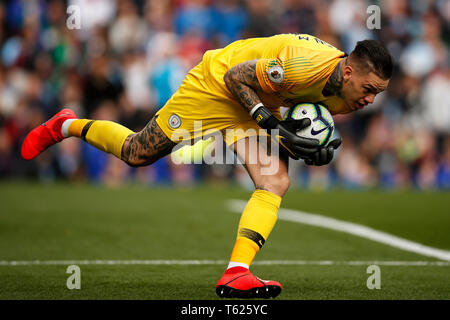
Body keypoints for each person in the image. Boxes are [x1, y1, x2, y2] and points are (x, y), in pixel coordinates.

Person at [21, 34, 393, 299]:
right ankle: (65, 124)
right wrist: (274, 128)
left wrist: (303, 145)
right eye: (370, 88)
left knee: (275, 181)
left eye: (378, 92)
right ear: (348, 72)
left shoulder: (347, 95)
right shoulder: (301, 67)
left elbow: (294, 120)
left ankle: (236, 274)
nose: (371, 99)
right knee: (137, 153)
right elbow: (237, 79)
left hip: (262, 104)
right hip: (219, 84)